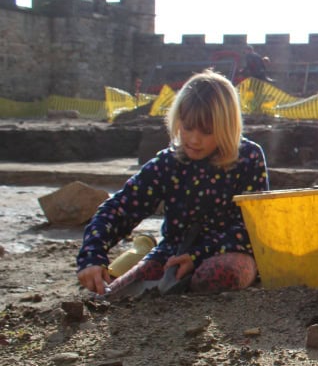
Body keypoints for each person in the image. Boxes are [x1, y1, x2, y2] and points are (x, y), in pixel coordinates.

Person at [77, 70, 269, 297]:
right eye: (187, 127)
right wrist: (92, 255)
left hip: (226, 252)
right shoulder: (168, 163)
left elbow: (255, 226)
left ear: (227, 127)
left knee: (220, 274)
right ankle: (148, 260)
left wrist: (199, 255)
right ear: (178, 121)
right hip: (172, 255)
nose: (194, 139)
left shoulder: (248, 157)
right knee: (112, 294)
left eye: (207, 131)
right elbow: (119, 208)